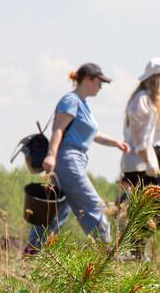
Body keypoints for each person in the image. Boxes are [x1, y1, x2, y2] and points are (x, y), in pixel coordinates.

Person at [25, 63, 129, 255]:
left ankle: (33, 252)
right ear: (88, 79)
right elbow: (58, 129)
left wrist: (116, 143)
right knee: (93, 205)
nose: (101, 86)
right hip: (67, 160)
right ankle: (108, 253)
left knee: (56, 211)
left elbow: (93, 134)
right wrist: (51, 155)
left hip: (74, 160)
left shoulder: (83, 104)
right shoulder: (71, 100)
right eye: (99, 82)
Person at [120, 58, 160, 230]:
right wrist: (150, 164)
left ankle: (135, 245)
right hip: (143, 164)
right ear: (155, 79)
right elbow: (141, 139)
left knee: (155, 207)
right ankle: (134, 242)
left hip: (151, 161)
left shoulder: (152, 100)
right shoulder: (142, 100)